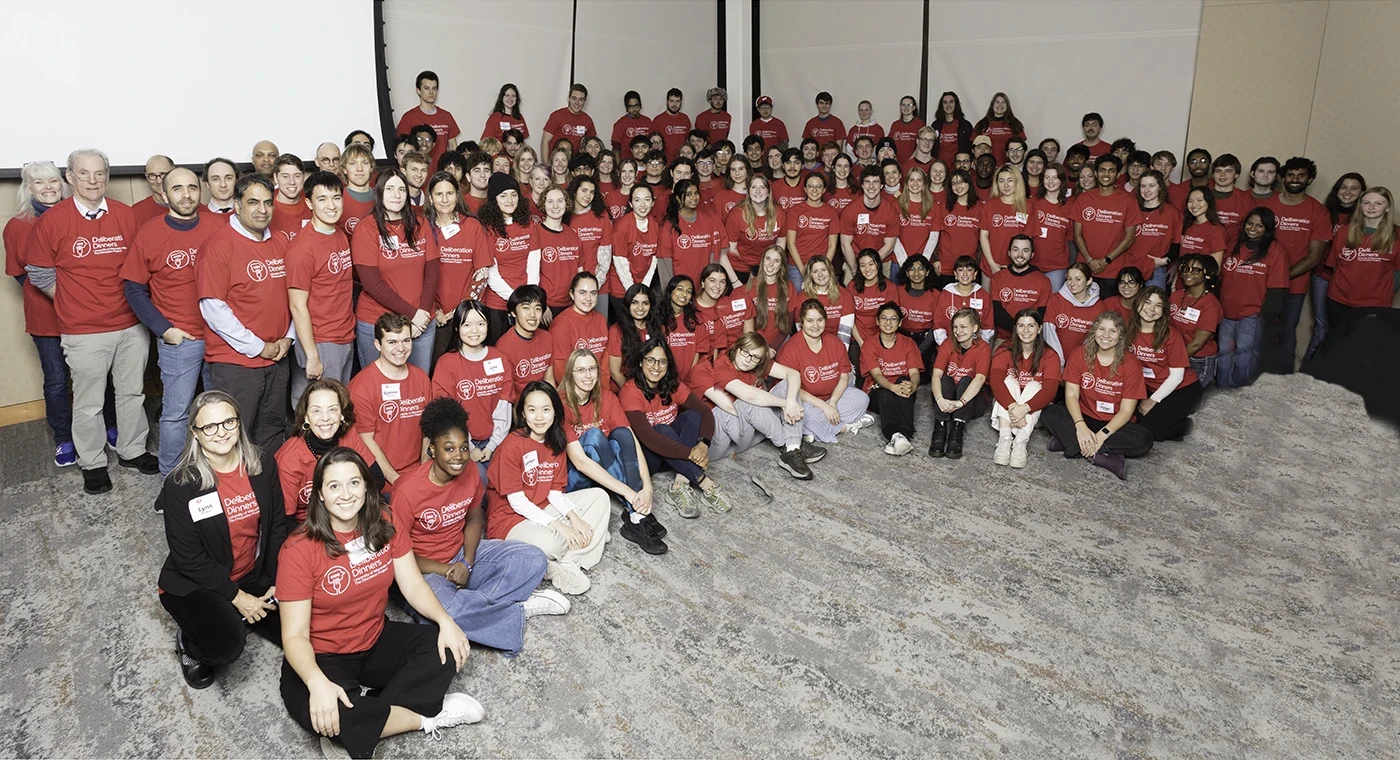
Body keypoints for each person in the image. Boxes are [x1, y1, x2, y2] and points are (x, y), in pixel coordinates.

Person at [277, 447, 477, 760]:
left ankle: (362, 722)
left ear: (368, 487)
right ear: (319, 496)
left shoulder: (383, 520)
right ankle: (425, 717)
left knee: (446, 647)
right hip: (321, 655)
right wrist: (317, 683)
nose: (345, 494)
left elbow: (411, 583)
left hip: (374, 639)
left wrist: (445, 621)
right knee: (326, 712)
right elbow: (294, 636)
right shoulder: (299, 550)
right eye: (334, 486)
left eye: (354, 483)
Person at [24, 149, 155, 493]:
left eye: (99, 174)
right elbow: (38, 271)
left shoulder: (126, 216)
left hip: (130, 325)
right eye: (84, 174)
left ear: (107, 178)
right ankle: (93, 462)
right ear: (70, 178)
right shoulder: (53, 221)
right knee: (89, 402)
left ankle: (132, 450)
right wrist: (69, 300)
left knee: (131, 393)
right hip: (83, 330)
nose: (93, 181)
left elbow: (142, 265)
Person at [395, 397, 566, 657]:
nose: (459, 457)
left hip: (461, 556)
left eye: (464, 448)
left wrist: (467, 562)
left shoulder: (472, 471)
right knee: (447, 611)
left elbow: (474, 520)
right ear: (432, 449)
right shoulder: (406, 492)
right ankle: (517, 610)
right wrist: (447, 570)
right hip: (425, 570)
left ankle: (477, 611)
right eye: (449, 449)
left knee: (534, 559)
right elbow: (398, 559)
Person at [156, 392, 284, 689]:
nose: (221, 432)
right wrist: (238, 598)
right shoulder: (180, 484)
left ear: (239, 424)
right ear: (195, 434)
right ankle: (189, 642)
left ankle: (232, 614)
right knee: (226, 647)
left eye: (228, 422)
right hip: (196, 582)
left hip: (251, 574)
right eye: (209, 427)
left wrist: (278, 578)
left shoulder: (262, 464)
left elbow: (278, 524)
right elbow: (188, 558)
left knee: (304, 626)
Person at [6, 160, 119, 468]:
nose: (48, 188)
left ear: (64, 183)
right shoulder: (17, 226)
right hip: (47, 319)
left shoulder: (79, 215)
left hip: (87, 317)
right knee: (57, 380)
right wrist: (61, 294)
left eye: (53, 182)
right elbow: (20, 273)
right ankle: (64, 440)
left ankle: (110, 425)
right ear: (28, 188)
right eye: (39, 183)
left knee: (98, 375)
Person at [119, 166, 218, 478]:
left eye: (192, 187)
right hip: (181, 339)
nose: (186, 194)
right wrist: (165, 330)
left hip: (222, 337)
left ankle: (220, 473)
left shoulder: (220, 225)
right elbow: (133, 289)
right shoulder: (150, 232)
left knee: (220, 409)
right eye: (178, 188)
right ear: (164, 192)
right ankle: (170, 479)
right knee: (175, 414)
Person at [192, 173, 298, 455]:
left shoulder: (280, 243)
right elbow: (212, 308)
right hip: (237, 363)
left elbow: (294, 295)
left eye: (267, 203)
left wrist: (288, 339)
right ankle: (237, 495)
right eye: (253, 202)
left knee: (273, 431)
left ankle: (269, 492)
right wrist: (258, 346)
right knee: (233, 436)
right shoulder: (218, 246)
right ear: (237, 205)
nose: (262, 210)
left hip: (278, 358)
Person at [486, 381, 612, 593]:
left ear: (555, 411)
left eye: (546, 409)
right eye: (532, 410)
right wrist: (560, 525)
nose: (539, 417)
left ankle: (569, 563)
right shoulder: (512, 444)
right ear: (523, 414)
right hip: (509, 519)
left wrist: (574, 518)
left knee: (600, 497)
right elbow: (517, 502)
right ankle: (584, 545)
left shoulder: (555, 441)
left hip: (543, 506)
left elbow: (555, 492)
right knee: (554, 543)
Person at [555, 349, 664, 554]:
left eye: (591, 369)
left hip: (602, 469)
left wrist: (647, 487)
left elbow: (631, 441)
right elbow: (579, 462)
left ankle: (636, 515)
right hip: (574, 478)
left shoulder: (606, 396)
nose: (587, 375)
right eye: (580, 370)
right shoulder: (561, 403)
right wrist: (631, 495)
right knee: (594, 436)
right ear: (570, 373)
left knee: (623, 433)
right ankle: (635, 510)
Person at [619, 338, 734, 517]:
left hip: (674, 453)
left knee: (693, 416)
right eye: (650, 360)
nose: (656, 366)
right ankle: (705, 482)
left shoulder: (672, 385)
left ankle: (680, 484)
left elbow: (705, 412)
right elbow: (648, 437)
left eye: (662, 361)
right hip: (651, 456)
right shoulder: (630, 391)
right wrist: (691, 455)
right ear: (641, 361)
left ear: (668, 365)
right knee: (661, 429)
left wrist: (703, 445)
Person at [1040, 312, 1153, 480]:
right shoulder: (1080, 354)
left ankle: (1068, 443)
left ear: (1121, 335)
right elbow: (1071, 394)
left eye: (1113, 331)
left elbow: (1127, 410)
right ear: (1094, 332)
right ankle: (1100, 456)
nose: (1106, 335)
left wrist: (1101, 435)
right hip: (1084, 415)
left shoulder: (1131, 364)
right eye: (1101, 329)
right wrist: (1080, 426)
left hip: (1113, 423)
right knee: (1048, 412)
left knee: (1144, 440)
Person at [350, 169, 440, 372]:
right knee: (379, 390)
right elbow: (372, 284)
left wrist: (422, 314)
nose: (397, 195)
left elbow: (432, 271)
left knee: (416, 387)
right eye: (390, 189)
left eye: (401, 189)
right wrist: (412, 315)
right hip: (379, 323)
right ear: (379, 192)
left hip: (422, 323)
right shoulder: (366, 229)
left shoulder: (420, 224)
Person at [703, 332, 820, 477]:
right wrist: (785, 404)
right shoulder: (721, 365)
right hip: (723, 438)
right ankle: (792, 446)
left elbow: (793, 374)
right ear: (736, 348)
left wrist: (790, 401)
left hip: (753, 429)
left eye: (755, 357)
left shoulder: (755, 362)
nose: (748, 359)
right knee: (749, 402)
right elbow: (750, 395)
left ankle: (793, 446)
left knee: (787, 385)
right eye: (745, 352)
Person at [285, 171, 355, 410]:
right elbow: (297, 305)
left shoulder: (339, 234)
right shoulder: (302, 249)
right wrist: (312, 355)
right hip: (321, 341)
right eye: (322, 199)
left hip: (344, 335)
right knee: (314, 408)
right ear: (309, 203)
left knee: (338, 405)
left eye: (336, 197)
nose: (331, 205)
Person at [276, 379, 382, 525]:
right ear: (306, 417)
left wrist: (350, 505)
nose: (325, 418)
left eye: (332, 409)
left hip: (350, 511)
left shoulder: (349, 435)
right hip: (310, 525)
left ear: (342, 414)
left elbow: (376, 478)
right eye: (316, 411)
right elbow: (285, 518)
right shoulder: (289, 458)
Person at [430, 299, 512, 484]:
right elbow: (447, 414)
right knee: (479, 483)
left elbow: (504, 406)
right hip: (460, 443)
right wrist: (468, 447)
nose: (474, 331)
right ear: (457, 328)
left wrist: (492, 446)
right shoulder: (447, 363)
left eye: (480, 324)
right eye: (467, 324)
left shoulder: (499, 359)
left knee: (504, 481)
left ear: (488, 326)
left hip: (495, 440)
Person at [1264, 157, 1333, 372]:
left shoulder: (1318, 211)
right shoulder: (1268, 206)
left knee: (1286, 332)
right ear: (1283, 178)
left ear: (1310, 179)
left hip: (1294, 287)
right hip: (1260, 282)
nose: (1295, 179)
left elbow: (1314, 257)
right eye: (1291, 175)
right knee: (1259, 331)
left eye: (1301, 175)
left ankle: (1283, 378)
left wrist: (1281, 278)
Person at [349, 313, 431, 488]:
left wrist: (425, 468)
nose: (401, 348)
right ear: (378, 345)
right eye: (392, 342)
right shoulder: (361, 386)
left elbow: (427, 428)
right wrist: (396, 480)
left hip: (418, 472)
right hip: (383, 477)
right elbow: (365, 440)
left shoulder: (421, 378)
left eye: (406, 340)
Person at [774, 299, 874, 443]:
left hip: (833, 398)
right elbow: (790, 388)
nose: (815, 325)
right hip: (805, 401)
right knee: (802, 414)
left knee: (863, 398)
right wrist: (824, 406)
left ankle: (812, 431)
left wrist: (832, 403)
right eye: (810, 320)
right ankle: (843, 428)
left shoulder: (835, 343)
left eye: (820, 320)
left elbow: (843, 377)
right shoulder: (789, 350)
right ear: (801, 322)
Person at [424, 172, 491, 363]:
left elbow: (482, 273)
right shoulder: (423, 228)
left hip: (468, 316)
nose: (445, 199)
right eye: (439, 194)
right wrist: (434, 310)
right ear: (430, 197)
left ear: (457, 195)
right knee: (436, 370)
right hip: (434, 317)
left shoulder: (472, 226)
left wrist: (460, 310)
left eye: (450, 193)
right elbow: (417, 274)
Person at [1217, 207, 1288, 388]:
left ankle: (1240, 390)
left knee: (1244, 352)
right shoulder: (1235, 244)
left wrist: (1266, 314)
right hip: (1226, 310)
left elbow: (1277, 286)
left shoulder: (1275, 249)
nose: (1253, 228)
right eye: (1250, 223)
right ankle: (1224, 388)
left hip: (1253, 313)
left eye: (1259, 225)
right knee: (1224, 351)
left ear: (1267, 229)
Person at [1128, 287, 1203, 442]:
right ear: (1138, 303)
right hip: (1149, 387)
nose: (1151, 309)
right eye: (1147, 302)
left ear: (1163, 311)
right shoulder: (1129, 330)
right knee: (1130, 421)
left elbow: (1177, 377)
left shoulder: (1170, 335)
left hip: (1182, 389)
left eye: (1158, 305)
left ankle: (1187, 425)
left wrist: (1153, 400)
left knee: (1150, 431)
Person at [990, 310, 1061, 468]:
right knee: (1008, 380)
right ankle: (1005, 439)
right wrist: (1015, 407)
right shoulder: (1004, 349)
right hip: (1008, 404)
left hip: (1034, 408)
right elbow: (995, 381)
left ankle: (1020, 442)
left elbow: (1050, 390)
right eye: (1021, 326)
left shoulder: (1050, 355)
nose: (1026, 331)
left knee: (1035, 385)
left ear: (1040, 328)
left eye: (1031, 326)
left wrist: (1025, 408)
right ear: (1015, 328)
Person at [1321, 187, 1397, 334]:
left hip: (1375, 304)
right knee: (1337, 343)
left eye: (1378, 203)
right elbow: (1335, 265)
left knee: (1365, 345)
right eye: (1366, 202)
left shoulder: (1397, 236)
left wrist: (1384, 291)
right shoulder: (1345, 232)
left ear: (1388, 207)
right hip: (1339, 300)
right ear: (1360, 206)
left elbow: (1398, 271)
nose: (1371, 207)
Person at [1307, 173, 1366, 359]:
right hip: (1322, 276)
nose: (1348, 192)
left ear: (1362, 193)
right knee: (1322, 325)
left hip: (1350, 281)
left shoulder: (1368, 218)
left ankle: (1333, 369)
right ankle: (1310, 367)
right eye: (1344, 187)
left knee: (1346, 328)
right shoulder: (1324, 212)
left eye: (1354, 188)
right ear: (1337, 190)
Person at [478, 172, 541, 342]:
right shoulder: (487, 230)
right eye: (503, 196)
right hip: (498, 303)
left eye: (514, 195)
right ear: (494, 200)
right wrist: (516, 299)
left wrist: (528, 297)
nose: (510, 200)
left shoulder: (529, 225)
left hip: (526, 301)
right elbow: (491, 273)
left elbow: (534, 263)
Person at [1073, 155, 1140, 297]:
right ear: (1096, 173)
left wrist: (1106, 260)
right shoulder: (1083, 199)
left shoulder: (1128, 200)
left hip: (1113, 269)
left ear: (1118, 174)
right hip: (1084, 267)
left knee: (1109, 313)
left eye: (1111, 171)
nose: (1106, 174)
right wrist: (1089, 260)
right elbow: (1077, 234)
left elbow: (1129, 238)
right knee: (1081, 313)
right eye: (1102, 170)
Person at [928, 308, 990, 459]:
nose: (958, 331)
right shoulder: (948, 344)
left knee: (967, 379)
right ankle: (940, 427)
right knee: (946, 379)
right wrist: (940, 400)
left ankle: (957, 428)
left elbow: (980, 378)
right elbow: (936, 375)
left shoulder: (983, 347)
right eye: (955, 327)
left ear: (974, 328)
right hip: (946, 398)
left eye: (963, 327)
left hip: (970, 401)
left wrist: (960, 403)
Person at [862, 302, 922, 456]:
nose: (888, 323)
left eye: (893, 319)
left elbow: (914, 373)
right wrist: (892, 387)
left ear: (900, 322)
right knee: (886, 393)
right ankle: (894, 435)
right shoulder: (870, 344)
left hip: (902, 389)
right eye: (884, 318)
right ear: (877, 321)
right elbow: (877, 375)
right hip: (878, 390)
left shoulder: (908, 343)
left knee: (904, 381)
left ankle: (901, 436)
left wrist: (913, 386)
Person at [1167, 254, 1222, 386]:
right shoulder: (1176, 296)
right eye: (1186, 269)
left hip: (1198, 360)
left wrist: (1172, 363)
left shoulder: (1210, 305)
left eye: (1195, 270)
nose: (1188, 273)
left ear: (1207, 274)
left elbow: (1197, 344)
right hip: (1175, 355)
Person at [660, 178, 726, 286]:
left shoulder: (708, 221)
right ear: (678, 198)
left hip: (704, 287)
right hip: (680, 288)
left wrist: (711, 284)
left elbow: (714, 255)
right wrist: (669, 291)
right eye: (688, 194)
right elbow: (664, 262)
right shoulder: (669, 225)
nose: (694, 198)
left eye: (696, 193)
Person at [495, 284, 556, 399]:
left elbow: (549, 380)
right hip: (520, 407)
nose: (532, 315)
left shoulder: (547, 337)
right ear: (513, 313)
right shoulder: (503, 348)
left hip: (544, 402)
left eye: (537, 309)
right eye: (526, 308)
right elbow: (507, 394)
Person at [723, 175, 785, 285]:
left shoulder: (779, 213)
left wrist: (768, 266)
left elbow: (780, 245)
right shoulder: (737, 214)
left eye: (762, 187)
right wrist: (752, 269)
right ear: (748, 191)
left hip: (767, 267)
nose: (757, 191)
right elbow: (731, 249)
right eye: (753, 187)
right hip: (740, 267)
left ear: (768, 192)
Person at [839, 167, 900, 280]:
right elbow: (845, 244)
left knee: (880, 296)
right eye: (867, 182)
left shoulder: (891, 212)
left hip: (881, 262)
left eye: (875, 182)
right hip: (854, 261)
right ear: (862, 185)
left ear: (882, 185)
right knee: (852, 296)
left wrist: (870, 266)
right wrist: (855, 270)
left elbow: (889, 246)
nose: (871, 186)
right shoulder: (850, 210)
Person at [1125, 170, 1182, 290]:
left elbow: (1177, 243)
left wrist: (1164, 261)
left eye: (1151, 186)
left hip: (1156, 269)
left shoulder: (1172, 213)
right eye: (1143, 186)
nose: (1147, 190)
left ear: (1160, 187)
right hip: (1130, 265)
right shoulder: (1132, 210)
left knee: (1154, 304)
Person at [990, 235, 1052, 341]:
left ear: (1032, 254)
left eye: (1025, 251)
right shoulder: (997, 278)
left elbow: (1041, 314)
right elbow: (997, 312)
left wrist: (1025, 332)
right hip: (1004, 339)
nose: (1020, 255)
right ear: (1009, 252)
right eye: (1015, 250)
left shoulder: (1043, 281)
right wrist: (1018, 331)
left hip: (1031, 339)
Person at [1043, 262, 1105, 366]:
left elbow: (1094, 339)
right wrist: (1058, 362)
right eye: (1069, 279)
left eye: (1078, 279)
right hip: (1054, 360)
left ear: (1089, 281)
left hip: (1082, 362)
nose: (1072, 283)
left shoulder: (1099, 306)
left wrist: (1079, 362)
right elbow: (1049, 334)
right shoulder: (1056, 300)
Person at [548, 272, 609, 378]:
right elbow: (560, 369)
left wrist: (602, 391)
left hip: (597, 385)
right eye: (582, 293)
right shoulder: (561, 325)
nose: (588, 298)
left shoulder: (601, 319)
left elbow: (604, 364)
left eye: (593, 293)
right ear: (572, 294)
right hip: (573, 388)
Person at [785, 171, 839, 287]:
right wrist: (803, 270)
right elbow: (790, 243)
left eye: (818, 186)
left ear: (824, 190)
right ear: (805, 189)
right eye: (811, 186)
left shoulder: (831, 212)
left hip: (821, 265)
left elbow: (832, 245)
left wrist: (824, 267)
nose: (814, 190)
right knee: (798, 300)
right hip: (797, 265)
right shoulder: (795, 211)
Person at [397, 71, 460, 169]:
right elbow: (402, 148)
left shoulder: (446, 116)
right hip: (418, 174)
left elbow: (453, 147)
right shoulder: (409, 117)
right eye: (426, 88)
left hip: (442, 174)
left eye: (434, 88)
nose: (431, 92)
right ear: (418, 90)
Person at [978, 165, 1031, 275]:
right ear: (997, 183)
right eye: (1001, 181)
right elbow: (983, 236)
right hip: (991, 265)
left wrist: (1018, 264)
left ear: (1017, 182)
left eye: (1010, 180)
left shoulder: (1028, 206)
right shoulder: (990, 205)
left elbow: (1028, 239)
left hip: (1017, 266)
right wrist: (992, 264)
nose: (1006, 185)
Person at [695, 262, 755, 355]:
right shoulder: (691, 309)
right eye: (712, 280)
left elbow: (749, 337)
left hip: (740, 356)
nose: (718, 286)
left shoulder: (736, 303)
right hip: (708, 362)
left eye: (722, 281)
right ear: (702, 283)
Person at [933, 255, 994, 346]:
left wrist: (977, 347)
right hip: (949, 348)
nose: (965, 274)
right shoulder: (945, 295)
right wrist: (946, 347)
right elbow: (938, 325)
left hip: (976, 348)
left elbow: (988, 326)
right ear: (955, 274)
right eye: (960, 270)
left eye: (969, 270)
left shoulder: (984, 296)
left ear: (975, 274)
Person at [1034, 164, 1075, 291]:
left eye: (1055, 178)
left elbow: (1070, 240)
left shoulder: (1070, 206)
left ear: (1062, 180)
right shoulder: (1033, 204)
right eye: (1047, 177)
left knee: (1052, 305)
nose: (1050, 181)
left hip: (1057, 265)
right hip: (1032, 264)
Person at [749, 245, 796, 351]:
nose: (771, 264)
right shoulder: (751, 286)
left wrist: (773, 348)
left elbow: (788, 322)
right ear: (762, 261)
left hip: (780, 341)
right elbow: (747, 325)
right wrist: (760, 347)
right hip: (755, 343)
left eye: (776, 261)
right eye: (768, 258)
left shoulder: (788, 287)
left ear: (781, 266)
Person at [800, 255, 854, 346]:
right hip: (812, 345)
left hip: (838, 344)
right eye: (815, 271)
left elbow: (845, 331)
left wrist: (841, 353)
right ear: (810, 275)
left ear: (830, 271)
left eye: (823, 270)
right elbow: (802, 331)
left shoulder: (844, 295)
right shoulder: (802, 297)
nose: (820, 275)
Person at [542, 83, 596, 154]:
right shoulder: (557, 116)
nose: (577, 103)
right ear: (569, 98)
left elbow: (592, 144)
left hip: (575, 162)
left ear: (585, 101)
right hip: (556, 161)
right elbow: (545, 141)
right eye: (574, 98)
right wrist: (546, 164)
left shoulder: (587, 120)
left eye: (581, 99)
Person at [972, 93, 1024, 165]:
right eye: (997, 102)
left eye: (1003, 102)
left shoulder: (1015, 124)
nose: (1000, 105)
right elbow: (973, 145)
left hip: (1009, 166)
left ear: (1007, 105)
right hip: (986, 167)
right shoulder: (982, 124)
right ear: (992, 104)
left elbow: (1022, 147)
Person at [268, 154, 310, 242]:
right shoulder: (266, 209)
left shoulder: (313, 207)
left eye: (297, 176)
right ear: (276, 178)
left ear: (303, 177)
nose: (292, 182)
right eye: (285, 176)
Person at [337, 145, 376, 237]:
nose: (359, 169)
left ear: (371, 168)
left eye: (365, 163)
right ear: (344, 169)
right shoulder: (337, 199)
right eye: (352, 163)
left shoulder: (383, 198)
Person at [131, 154, 174, 226]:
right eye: (152, 175)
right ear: (146, 177)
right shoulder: (135, 212)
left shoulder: (193, 208)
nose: (159, 181)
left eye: (163, 174)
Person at [653, 87, 692, 159]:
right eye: (672, 101)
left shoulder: (685, 119)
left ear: (681, 102)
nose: (674, 104)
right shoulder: (658, 120)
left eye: (677, 101)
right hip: (664, 160)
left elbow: (688, 141)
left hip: (682, 160)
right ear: (667, 101)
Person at [888, 94, 926, 162]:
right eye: (904, 105)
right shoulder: (895, 124)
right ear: (900, 107)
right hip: (896, 163)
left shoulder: (920, 124)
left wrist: (910, 162)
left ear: (914, 107)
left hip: (913, 162)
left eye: (909, 105)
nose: (906, 107)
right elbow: (890, 144)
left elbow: (921, 146)